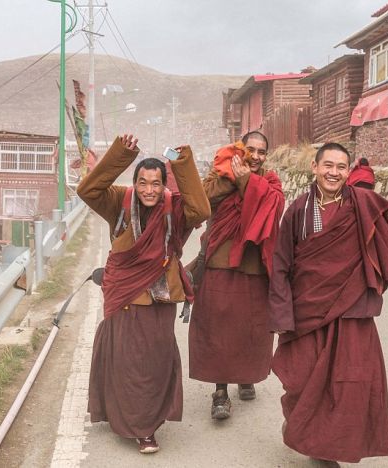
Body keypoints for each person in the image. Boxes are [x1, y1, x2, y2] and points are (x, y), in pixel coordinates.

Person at [268, 142, 388, 465]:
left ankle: (325, 450)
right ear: (314, 168)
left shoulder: (362, 206)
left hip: (351, 311)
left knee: (347, 385)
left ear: (348, 171)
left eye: (341, 167)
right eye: (327, 165)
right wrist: (281, 312)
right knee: (302, 380)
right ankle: (304, 426)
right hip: (307, 312)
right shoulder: (298, 211)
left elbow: (384, 252)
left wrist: (367, 286)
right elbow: (281, 264)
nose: (334, 172)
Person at [77, 134, 210, 454]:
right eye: (142, 182)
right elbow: (87, 190)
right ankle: (142, 429)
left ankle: (147, 418)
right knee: (127, 362)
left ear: (164, 185)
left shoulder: (174, 209)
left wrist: (183, 162)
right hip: (124, 295)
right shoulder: (119, 202)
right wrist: (122, 153)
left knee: (154, 361)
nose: (149, 189)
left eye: (155, 183)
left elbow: (201, 209)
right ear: (134, 183)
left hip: (160, 298)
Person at [188, 130, 285, 419]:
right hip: (219, 264)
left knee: (251, 329)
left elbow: (274, 205)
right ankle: (220, 393)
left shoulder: (270, 182)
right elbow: (203, 200)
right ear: (239, 150)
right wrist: (232, 177)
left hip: (254, 268)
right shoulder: (219, 176)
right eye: (250, 150)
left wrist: (245, 180)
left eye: (261, 152)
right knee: (218, 330)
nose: (255, 156)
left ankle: (246, 376)